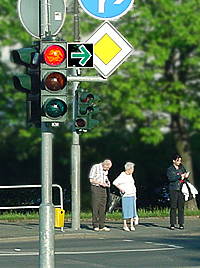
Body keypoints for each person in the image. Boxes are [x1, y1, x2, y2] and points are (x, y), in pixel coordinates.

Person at [113, 162, 138, 231]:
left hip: (132, 194)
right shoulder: (122, 175)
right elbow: (115, 183)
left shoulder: (130, 175)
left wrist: (135, 195)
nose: (133, 170)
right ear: (129, 169)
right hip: (126, 195)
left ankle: (132, 225)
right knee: (126, 210)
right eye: (132, 169)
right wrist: (121, 189)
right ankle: (125, 225)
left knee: (132, 210)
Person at [167, 153, 190, 230]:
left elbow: (184, 175)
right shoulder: (170, 169)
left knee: (181, 207)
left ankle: (181, 223)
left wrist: (186, 176)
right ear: (174, 161)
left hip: (181, 189)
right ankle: (172, 224)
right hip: (173, 189)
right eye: (177, 160)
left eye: (180, 160)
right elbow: (171, 178)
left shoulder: (182, 168)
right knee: (173, 206)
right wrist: (180, 176)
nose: (179, 162)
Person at [89, 159, 112, 231]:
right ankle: (95, 225)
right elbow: (91, 179)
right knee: (96, 205)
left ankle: (102, 225)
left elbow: (105, 177)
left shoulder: (105, 171)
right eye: (107, 168)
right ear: (104, 165)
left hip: (103, 188)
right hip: (96, 187)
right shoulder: (95, 167)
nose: (107, 169)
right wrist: (99, 183)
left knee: (103, 206)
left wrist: (107, 182)